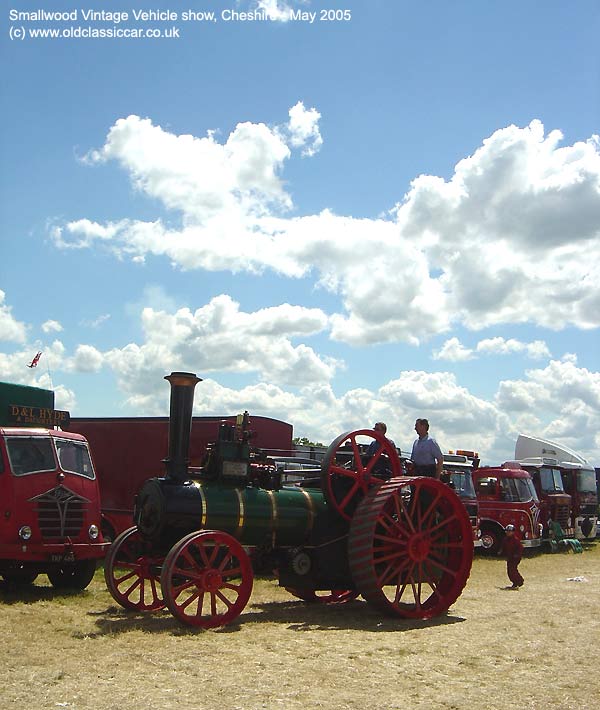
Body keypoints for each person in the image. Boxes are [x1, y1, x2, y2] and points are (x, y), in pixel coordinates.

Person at [498, 524, 524, 589]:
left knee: (512, 569)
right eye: (507, 531)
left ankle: (519, 581)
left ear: (513, 532)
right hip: (509, 557)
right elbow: (503, 547)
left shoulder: (516, 540)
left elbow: (520, 548)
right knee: (509, 570)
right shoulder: (505, 539)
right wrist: (500, 552)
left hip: (515, 558)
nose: (508, 532)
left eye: (509, 531)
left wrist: (517, 554)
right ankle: (515, 582)